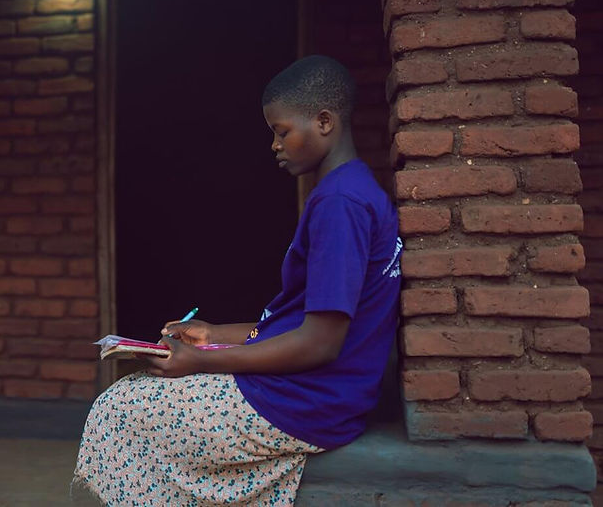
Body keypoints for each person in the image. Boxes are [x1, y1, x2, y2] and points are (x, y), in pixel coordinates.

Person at [72, 55, 402, 506]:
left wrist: (203, 362)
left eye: (282, 131)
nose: (275, 145)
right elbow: (301, 323)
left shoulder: (340, 205)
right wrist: (214, 336)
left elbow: (320, 343)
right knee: (136, 395)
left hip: (309, 402)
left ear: (324, 122)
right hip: (320, 393)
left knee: (119, 409)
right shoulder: (353, 190)